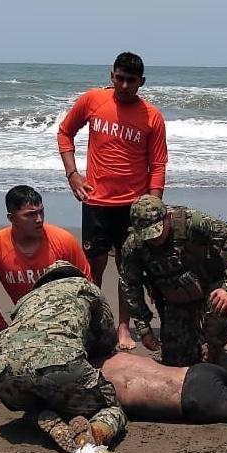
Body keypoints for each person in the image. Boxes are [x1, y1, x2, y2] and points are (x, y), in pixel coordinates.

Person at [57, 52, 169, 351]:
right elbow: (65, 132)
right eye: (119, 78)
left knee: (128, 268)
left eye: (131, 80)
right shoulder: (93, 100)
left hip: (133, 205)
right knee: (94, 266)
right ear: (111, 76)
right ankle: (94, 324)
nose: (124, 85)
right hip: (96, 201)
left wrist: (153, 206)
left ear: (141, 82)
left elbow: (158, 164)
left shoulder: (152, 116)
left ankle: (123, 328)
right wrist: (73, 175)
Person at [0, 261, 129, 453]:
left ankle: (43, 417)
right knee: (112, 407)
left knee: (33, 402)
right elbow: (106, 337)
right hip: (60, 363)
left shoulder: (25, 299)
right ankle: (93, 434)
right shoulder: (86, 287)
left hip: (2, 374)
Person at [120, 195, 227, 367]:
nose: (154, 240)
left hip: (212, 284)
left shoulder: (192, 222)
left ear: (167, 218)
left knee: (219, 311)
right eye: (147, 236)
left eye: (157, 232)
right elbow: (130, 286)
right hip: (177, 295)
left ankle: (214, 352)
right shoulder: (133, 246)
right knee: (176, 361)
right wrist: (144, 328)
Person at [0, 185, 92, 334]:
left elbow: (87, 285)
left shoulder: (64, 241)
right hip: (25, 322)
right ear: (11, 218)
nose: (39, 219)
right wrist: (3, 329)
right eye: (30, 215)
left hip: (65, 319)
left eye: (41, 212)